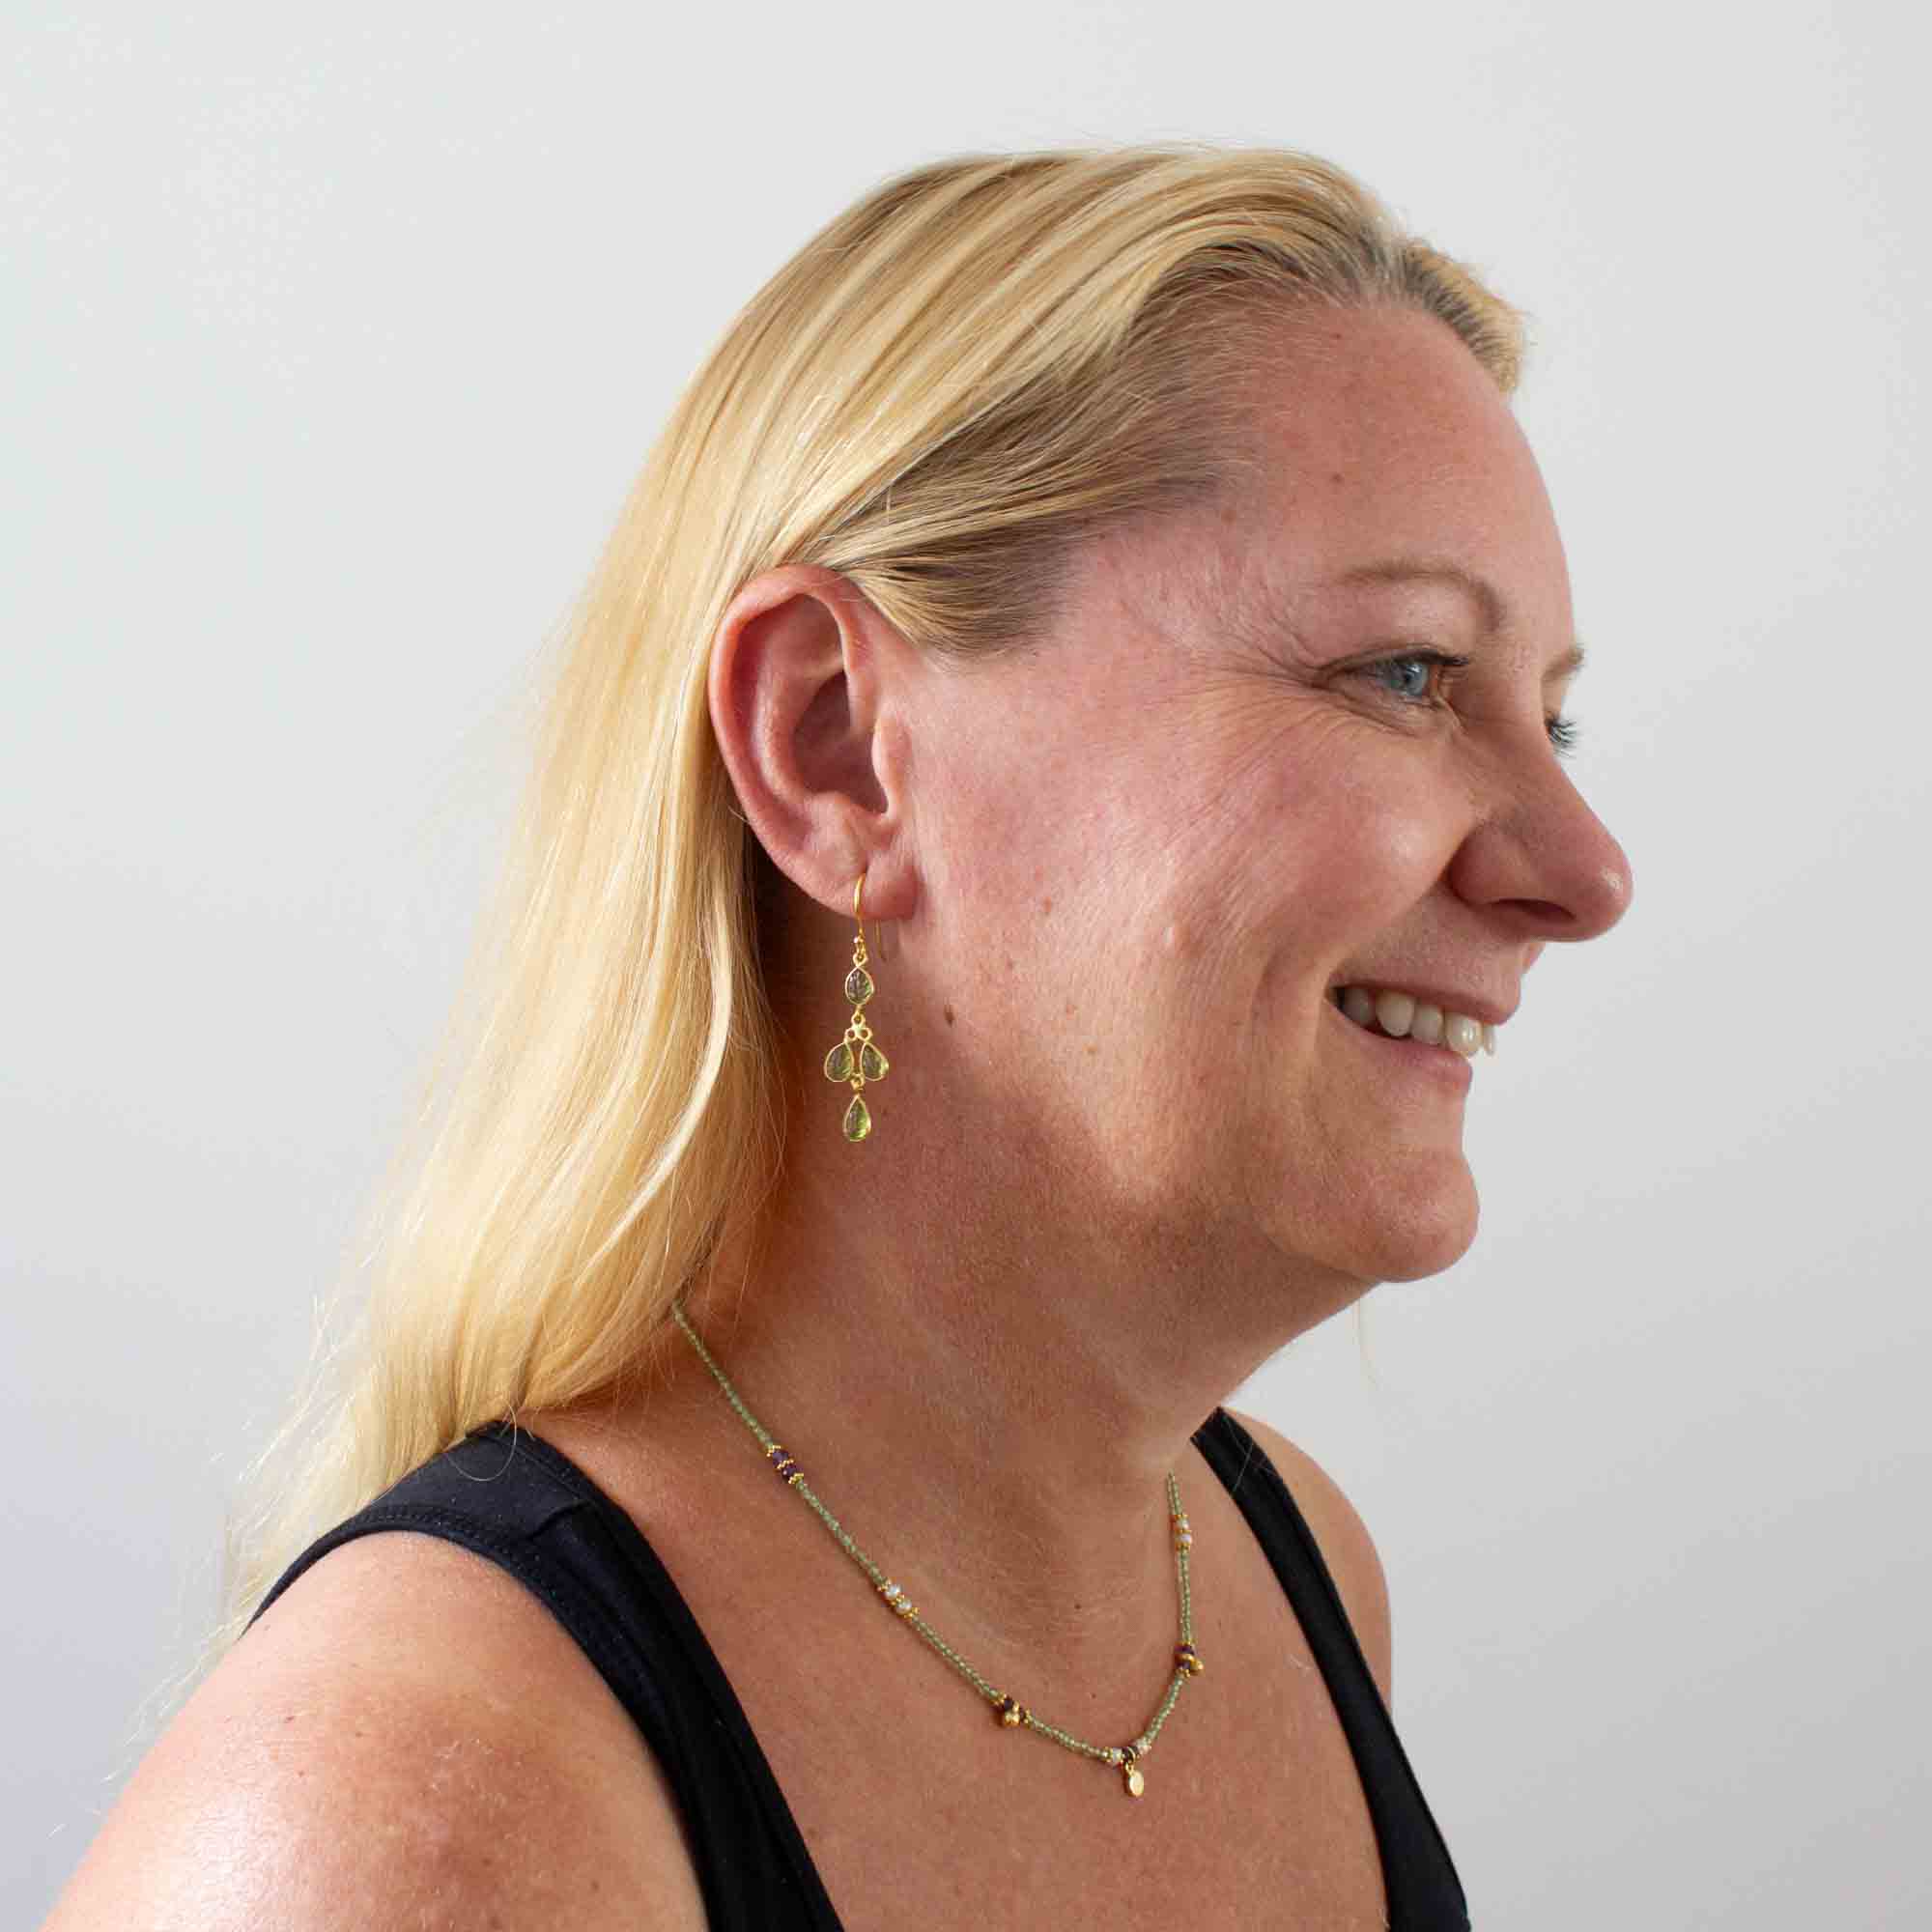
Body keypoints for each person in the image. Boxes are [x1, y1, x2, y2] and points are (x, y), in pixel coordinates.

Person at [46, 144, 1631, 1930]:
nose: (1584, 871)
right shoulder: (411, 1810)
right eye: (1408, 674)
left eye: (1556, 722)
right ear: (832, 750)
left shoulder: (1286, 1573)